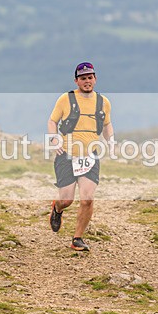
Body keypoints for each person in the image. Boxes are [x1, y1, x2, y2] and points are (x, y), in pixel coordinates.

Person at [47, 61, 115, 251]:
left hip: (90, 156)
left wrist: (111, 141)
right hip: (66, 155)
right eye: (83, 78)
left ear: (95, 79)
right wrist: (54, 139)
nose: (87, 81)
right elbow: (52, 121)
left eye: (90, 77)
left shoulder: (103, 102)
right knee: (67, 200)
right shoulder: (65, 100)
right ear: (76, 81)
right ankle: (57, 208)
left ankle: (77, 238)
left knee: (87, 199)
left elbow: (107, 124)